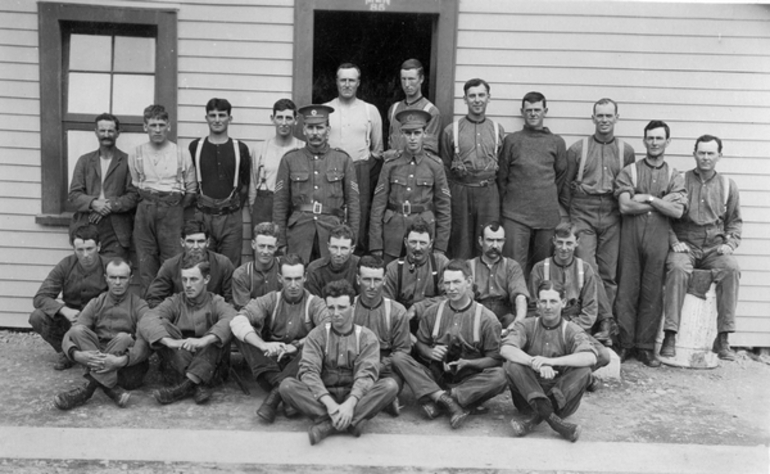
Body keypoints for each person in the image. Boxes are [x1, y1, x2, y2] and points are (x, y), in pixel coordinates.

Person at [279, 280, 399, 445]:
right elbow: (308, 372)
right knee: (287, 386)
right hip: (324, 395)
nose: (335, 313)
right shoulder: (317, 335)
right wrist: (330, 405)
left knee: (389, 386)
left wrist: (350, 404)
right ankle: (351, 422)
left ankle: (328, 425)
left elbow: (366, 375)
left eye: (342, 308)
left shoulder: (366, 337)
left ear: (352, 306)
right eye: (331, 307)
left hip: (354, 395)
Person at [391, 260, 507, 429]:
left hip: (469, 380)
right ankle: (451, 401)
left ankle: (442, 400)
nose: (451, 288)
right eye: (447, 283)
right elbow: (420, 344)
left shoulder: (487, 319)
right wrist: (430, 352)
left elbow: (495, 359)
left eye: (456, 282)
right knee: (399, 358)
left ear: (468, 282)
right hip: (436, 377)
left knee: (501, 376)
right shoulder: (432, 312)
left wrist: (468, 363)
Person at [661, 135, 742, 361]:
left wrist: (729, 243)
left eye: (711, 153)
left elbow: (734, 221)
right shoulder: (680, 180)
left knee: (731, 269)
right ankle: (670, 334)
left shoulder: (727, 186)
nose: (706, 157)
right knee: (677, 269)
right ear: (694, 153)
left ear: (719, 156)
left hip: (714, 247)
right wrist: (674, 241)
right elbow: (665, 216)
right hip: (686, 243)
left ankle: (723, 337)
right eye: (702, 152)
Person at [614, 120, 687, 367]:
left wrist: (648, 197)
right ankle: (625, 344)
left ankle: (644, 347)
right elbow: (625, 206)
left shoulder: (674, 175)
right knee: (627, 289)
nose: (654, 142)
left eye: (659, 138)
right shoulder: (630, 171)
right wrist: (660, 204)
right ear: (644, 140)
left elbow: (677, 212)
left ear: (668, 141)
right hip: (631, 235)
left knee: (652, 290)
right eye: (650, 138)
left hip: (659, 236)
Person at [565, 98, 636, 342]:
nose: (604, 120)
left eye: (609, 116)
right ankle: (606, 319)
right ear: (592, 118)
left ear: (617, 118)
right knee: (587, 265)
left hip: (612, 212)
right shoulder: (577, 149)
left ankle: (602, 327)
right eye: (600, 115)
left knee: (608, 272)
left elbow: (629, 185)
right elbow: (565, 187)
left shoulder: (625, 150)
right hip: (583, 210)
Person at [230, 253, 329, 423]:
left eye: (298, 279)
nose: (293, 285)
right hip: (272, 362)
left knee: (318, 342)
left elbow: (328, 327)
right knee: (243, 333)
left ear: (305, 277)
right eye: (288, 279)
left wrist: (297, 345)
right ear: (279, 278)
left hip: (299, 363)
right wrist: (262, 345)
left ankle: (275, 396)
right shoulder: (271, 300)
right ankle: (286, 394)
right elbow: (238, 320)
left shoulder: (315, 303)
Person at [501, 281, 598, 442]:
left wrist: (550, 361)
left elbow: (591, 357)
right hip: (527, 399)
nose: (548, 306)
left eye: (553, 301)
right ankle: (555, 423)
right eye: (543, 301)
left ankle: (535, 419)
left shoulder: (571, 329)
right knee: (513, 365)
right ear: (537, 304)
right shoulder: (527, 325)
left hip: (562, 403)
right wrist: (535, 363)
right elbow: (506, 349)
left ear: (563, 303)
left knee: (584, 370)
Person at [54, 259, 150, 410]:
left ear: (130, 279)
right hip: (99, 356)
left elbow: (144, 343)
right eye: (113, 277)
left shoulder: (140, 305)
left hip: (126, 368)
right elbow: (70, 336)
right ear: (106, 278)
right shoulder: (96, 302)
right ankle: (111, 390)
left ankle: (87, 390)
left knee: (124, 338)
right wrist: (76, 355)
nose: (117, 282)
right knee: (77, 330)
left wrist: (121, 361)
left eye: (122, 278)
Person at [139, 257, 235, 405]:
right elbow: (147, 319)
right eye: (184, 280)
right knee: (161, 324)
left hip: (212, 367)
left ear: (206, 279)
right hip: (180, 361)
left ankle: (180, 390)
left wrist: (204, 340)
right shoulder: (175, 301)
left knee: (217, 334)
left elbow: (231, 317)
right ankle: (196, 385)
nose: (188, 285)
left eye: (193, 279)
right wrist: (168, 341)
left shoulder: (216, 302)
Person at [272, 104, 360, 265]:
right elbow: (280, 204)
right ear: (304, 129)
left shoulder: (343, 160)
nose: (315, 133)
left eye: (319, 128)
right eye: (310, 128)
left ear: (328, 130)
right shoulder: (290, 160)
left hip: (332, 232)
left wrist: (351, 239)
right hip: (299, 232)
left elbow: (353, 204)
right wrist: (281, 241)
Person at [497, 91, 568, 276]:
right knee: (514, 267)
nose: (533, 114)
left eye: (537, 110)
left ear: (545, 111)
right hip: (516, 215)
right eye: (529, 110)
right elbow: (502, 177)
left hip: (546, 216)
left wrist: (544, 196)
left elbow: (560, 176)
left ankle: (538, 304)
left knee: (543, 270)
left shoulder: (557, 142)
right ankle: (515, 304)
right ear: (522, 112)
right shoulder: (512, 141)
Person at [128, 104, 197, 293]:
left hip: (172, 209)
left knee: (173, 261)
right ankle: (150, 311)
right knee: (146, 261)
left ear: (168, 126)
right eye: (152, 125)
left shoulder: (181, 153)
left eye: (161, 124)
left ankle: (173, 310)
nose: (157, 130)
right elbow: (135, 184)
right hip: (145, 209)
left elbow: (191, 189)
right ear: (145, 127)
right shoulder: (136, 153)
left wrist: (175, 208)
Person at [528, 222, 612, 374]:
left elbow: (590, 309)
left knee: (603, 355)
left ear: (577, 243)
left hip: (575, 325)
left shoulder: (585, 269)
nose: (564, 248)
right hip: (546, 324)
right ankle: (575, 375)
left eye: (569, 243)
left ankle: (564, 374)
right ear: (554, 241)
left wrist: (571, 328)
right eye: (560, 242)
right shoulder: (540, 268)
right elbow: (533, 306)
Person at [370, 110, 451, 263]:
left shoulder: (434, 166)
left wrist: (440, 246)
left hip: (423, 232)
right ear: (402, 135)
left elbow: (444, 209)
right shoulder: (390, 164)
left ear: (425, 134)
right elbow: (378, 206)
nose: (413, 138)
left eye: (417, 133)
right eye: (408, 133)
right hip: (393, 233)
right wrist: (376, 244)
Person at [439, 78, 505, 259]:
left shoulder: (497, 130)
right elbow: (444, 168)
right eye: (472, 96)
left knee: (489, 239)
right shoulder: (451, 131)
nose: (477, 100)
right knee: (461, 241)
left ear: (488, 98)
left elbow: (503, 169)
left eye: (481, 95)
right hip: (460, 191)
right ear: (465, 99)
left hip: (488, 192)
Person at [29, 224, 108, 370]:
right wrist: (64, 310)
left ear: (98, 246)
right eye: (80, 250)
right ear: (74, 249)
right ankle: (66, 352)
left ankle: (97, 353)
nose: (85, 255)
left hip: (98, 321)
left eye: (89, 249)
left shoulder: (109, 266)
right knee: (37, 317)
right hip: (72, 319)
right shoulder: (66, 265)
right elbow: (40, 297)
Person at [324, 63, 384, 253]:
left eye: (351, 80)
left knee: (359, 215)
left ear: (358, 83)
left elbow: (377, 150)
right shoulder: (326, 109)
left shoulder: (370, 110)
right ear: (336, 82)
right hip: (330, 170)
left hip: (360, 170)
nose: (347, 84)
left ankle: (356, 256)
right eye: (343, 80)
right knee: (332, 213)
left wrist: (362, 168)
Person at [188, 98, 251, 267]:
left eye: (222, 115)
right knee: (201, 265)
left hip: (231, 217)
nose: (217, 120)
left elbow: (245, 185)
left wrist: (231, 207)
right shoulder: (195, 147)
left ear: (230, 119)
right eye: (212, 115)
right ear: (206, 118)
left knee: (230, 266)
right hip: (203, 215)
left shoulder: (240, 148)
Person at [68, 113, 138, 261]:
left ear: (118, 133)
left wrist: (109, 205)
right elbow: (74, 194)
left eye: (111, 131)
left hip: (116, 228)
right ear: (96, 132)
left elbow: (133, 196)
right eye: (102, 130)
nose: (106, 135)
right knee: (88, 272)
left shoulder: (127, 161)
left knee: (115, 272)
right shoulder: (85, 161)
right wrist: (94, 203)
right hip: (88, 224)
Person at [354, 255, 411, 416]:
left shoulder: (397, 311)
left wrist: (379, 367)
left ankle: (369, 397)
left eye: (377, 280)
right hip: (356, 365)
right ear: (358, 279)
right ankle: (380, 402)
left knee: (390, 385)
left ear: (385, 280)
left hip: (386, 367)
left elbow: (402, 351)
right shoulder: (349, 308)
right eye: (367, 280)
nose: (372, 286)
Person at [145, 220, 234, 308]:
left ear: (208, 242)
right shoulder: (170, 266)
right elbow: (154, 298)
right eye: (190, 242)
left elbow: (232, 299)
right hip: (180, 317)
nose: (195, 247)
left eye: (200, 241)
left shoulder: (223, 264)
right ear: (182, 242)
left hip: (214, 316)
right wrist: (171, 315)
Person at [383, 219, 449, 330]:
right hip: (402, 326)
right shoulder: (393, 269)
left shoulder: (440, 264)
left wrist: (417, 308)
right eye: (413, 242)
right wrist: (403, 333)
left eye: (423, 243)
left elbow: (451, 297)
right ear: (405, 242)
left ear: (430, 244)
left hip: (434, 325)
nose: (417, 248)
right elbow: (386, 306)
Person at [249, 99, 304, 228]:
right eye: (279, 117)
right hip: (265, 205)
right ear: (272, 119)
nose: (284, 123)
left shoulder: (303, 148)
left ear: (295, 120)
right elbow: (253, 183)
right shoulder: (260, 149)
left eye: (288, 118)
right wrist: (254, 208)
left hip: (293, 207)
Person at [467, 221, 528, 330]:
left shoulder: (511, 266)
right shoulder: (469, 266)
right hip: (478, 319)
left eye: (499, 241)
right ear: (481, 241)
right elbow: (466, 298)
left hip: (505, 320)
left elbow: (520, 296)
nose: (495, 245)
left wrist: (517, 322)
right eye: (490, 240)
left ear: (504, 242)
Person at [386, 58, 441, 155]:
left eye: (411, 79)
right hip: (394, 168)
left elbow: (429, 151)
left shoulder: (431, 111)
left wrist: (396, 154)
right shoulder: (394, 109)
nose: (407, 84)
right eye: (404, 79)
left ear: (421, 79)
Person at [231, 222, 283, 310]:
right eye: (262, 246)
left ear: (276, 247)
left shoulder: (285, 268)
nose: (265, 252)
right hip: (252, 321)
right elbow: (245, 310)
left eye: (270, 247)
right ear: (253, 244)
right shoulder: (241, 275)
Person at [305, 224, 360, 296]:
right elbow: (314, 302)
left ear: (352, 249)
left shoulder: (360, 267)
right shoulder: (314, 270)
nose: (338, 253)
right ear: (328, 246)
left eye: (344, 248)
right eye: (334, 247)